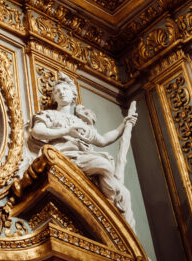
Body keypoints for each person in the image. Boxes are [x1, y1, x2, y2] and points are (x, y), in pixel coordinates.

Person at [25, 75, 138, 227]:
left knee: (126, 194)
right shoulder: (50, 115)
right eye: (57, 91)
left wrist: (123, 125)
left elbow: (102, 140)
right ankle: (109, 208)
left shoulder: (80, 122)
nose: (61, 93)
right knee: (104, 164)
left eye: (65, 89)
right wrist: (66, 131)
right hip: (64, 158)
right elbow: (37, 131)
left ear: (73, 95)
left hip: (83, 158)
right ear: (54, 98)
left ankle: (128, 236)